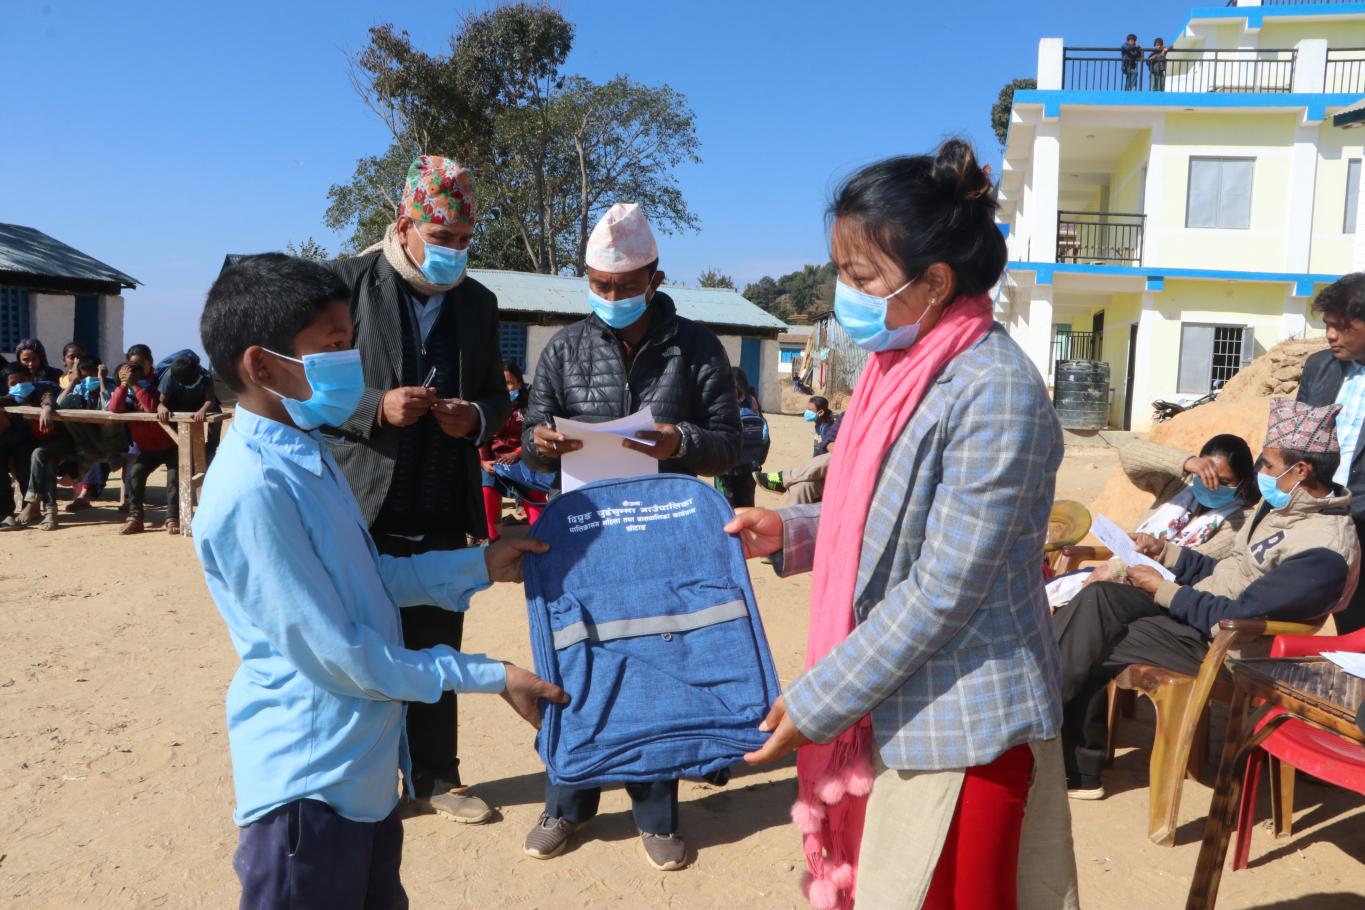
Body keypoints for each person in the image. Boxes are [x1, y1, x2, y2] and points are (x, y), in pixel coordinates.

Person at [728, 139, 1076, 910]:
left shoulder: (993, 389)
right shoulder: (905, 367)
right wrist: (791, 531)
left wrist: (820, 699)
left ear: (935, 282)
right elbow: (884, 510)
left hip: (963, 728)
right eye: (840, 273)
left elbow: (945, 584)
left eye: (860, 278)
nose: (844, 295)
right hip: (896, 708)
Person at [193, 252, 567, 909]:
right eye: (333, 346)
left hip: (363, 776)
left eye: (351, 342)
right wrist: (490, 675)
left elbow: (369, 578)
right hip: (309, 790)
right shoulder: (253, 489)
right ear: (262, 366)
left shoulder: (307, 451)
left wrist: (479, 565)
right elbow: (341, 655)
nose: (352, 361)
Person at [520, 202, 742, 871]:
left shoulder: (696, 349)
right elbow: (530, 444)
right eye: (598, 285)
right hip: (582, 537)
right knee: (576, 664)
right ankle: (566, 804)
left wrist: (681, 441)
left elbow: (733, 445)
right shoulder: (564, 348)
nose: (610, 297)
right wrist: (540, 444)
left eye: (623, 285)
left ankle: (656, 814)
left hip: (662, 537)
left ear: (655, 278)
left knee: (659, 664)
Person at [323, 155, 513, 825]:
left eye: (463, 239)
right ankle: (359, 782)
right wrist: (374, 407)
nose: (453, 251)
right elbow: (302, 386)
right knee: (353, 647)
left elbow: (496, 394)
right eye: (441, 237)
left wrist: (477, 417)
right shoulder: (342, 285)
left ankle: (436, 777)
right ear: (404, 225)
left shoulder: (478, 303)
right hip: (358, 504)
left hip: (439, 504)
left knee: (436, 644)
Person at [1054, 400, 1359, 800]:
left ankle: (1056, 748)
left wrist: (1161, 589)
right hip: (1196, 613)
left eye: (1268, 465)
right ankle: (1062, 752)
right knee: (1100, 600)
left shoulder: (1323, 549)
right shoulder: (1279, 509)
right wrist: (1166, 553)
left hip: (1228, 646)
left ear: (1300, 471)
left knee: (1094, 633)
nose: (1261, 474)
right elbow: (1226, 572)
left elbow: (1238, 615)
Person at [1299, 273, 1365, 634]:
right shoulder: (1319, 367)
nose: (1330, 335)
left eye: (1340, 326)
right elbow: (1294, 439)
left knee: (1355, 625)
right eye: (1327, 325)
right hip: (1313, 515)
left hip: (1361, 520)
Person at [478, 361, 550, 540]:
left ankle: (539, 536)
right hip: (495, 461)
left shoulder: (530, 404)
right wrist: (484, 462)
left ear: (519, 383)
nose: (506, 388)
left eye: (510, 383)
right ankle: (491, 539)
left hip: (524, 458)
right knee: (487, 490)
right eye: (501, 384)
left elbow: (535, 433)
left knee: (533, 492)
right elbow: (482, 434)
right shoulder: (489, 405)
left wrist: (517, 453)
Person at [109, 360, 178, 535]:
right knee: (136, 474)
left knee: (173, 481)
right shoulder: (125, 396)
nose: (133, 380)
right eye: (126, 377)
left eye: (135, 377)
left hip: (171, 446)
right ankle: (135, 518)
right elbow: (114, 408)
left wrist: (135, 385)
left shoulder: (153, 391)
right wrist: (124, 385)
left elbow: (151, 408)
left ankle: (173, 518)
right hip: (148, 449)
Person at [754, 396, 843, 505]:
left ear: (820, 412)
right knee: (797, 488)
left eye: (810, 410)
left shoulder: (826, 428)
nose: (807, 412)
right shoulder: (821, 426)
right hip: (817, 467)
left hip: (827, 471)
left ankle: (782, 478)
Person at [716, 367, 766, 509]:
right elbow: (764, 432)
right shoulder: (752, 399)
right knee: (747, 506)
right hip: (750, 464)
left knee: (725, 506)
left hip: (726, 466)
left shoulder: (723, 398)